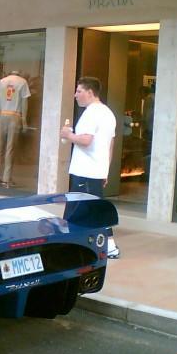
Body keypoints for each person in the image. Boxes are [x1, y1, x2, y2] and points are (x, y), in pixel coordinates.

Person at [60, 76, 120, 258]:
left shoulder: (91, 113)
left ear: (90, 92)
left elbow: (86, 140)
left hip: (84, 172)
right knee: (94, 209)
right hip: (96, 170)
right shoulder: (108, 113)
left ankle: (66, 246)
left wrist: (67, 134)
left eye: (79, 91)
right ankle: (108, 246)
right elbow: (110, 145)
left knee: (74, 211)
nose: (75, 95)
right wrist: (105, 171)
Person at [0, 70, 31, 188]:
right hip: (15, 116)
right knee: (10, 148)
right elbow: (24, 103)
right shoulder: (23, 82)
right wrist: (24, 121)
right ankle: (6, 178)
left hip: (3, 114)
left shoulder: (2, 82)